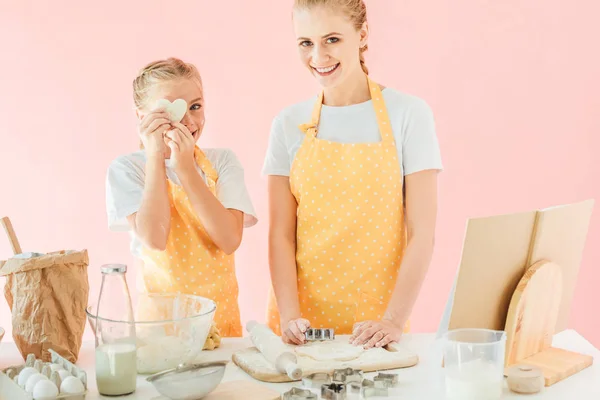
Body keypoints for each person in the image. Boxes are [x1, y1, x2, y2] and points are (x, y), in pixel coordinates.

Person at [262, 0, 443, 349]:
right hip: (303, 330)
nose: (318, 56)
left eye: (332, 39)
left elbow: (423, 234)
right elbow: (281, 235)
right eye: (306, 43)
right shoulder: (287, 124)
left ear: (361, 35)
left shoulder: (409, 114)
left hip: (375, 330)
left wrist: (391, 321)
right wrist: (288, 318)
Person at [105, 57, 258, 337]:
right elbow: (154, 237)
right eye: (169, 110)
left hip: (220, 323)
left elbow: (229, 239)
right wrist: (155, 155)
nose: (187, 120)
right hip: (159, 329)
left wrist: (185, 168)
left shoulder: (223, 162)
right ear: (142, 117)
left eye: (195, 107)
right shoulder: (127, 169)